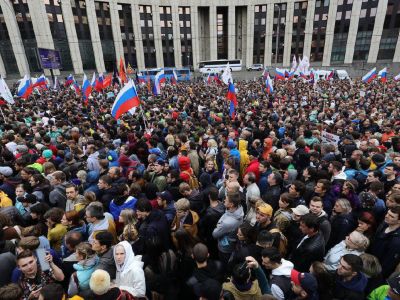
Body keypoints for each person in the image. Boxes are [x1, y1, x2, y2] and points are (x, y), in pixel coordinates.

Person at [212, 192, 244, 266]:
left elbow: (214, 234)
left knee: (224, 263)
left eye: (226, 200)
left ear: (231, 204)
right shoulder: (239, 208)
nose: (224, 201)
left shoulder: (227, 223)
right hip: (231, 243)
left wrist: (218, 225)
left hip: (225, 248)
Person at [370, 206, 400, 278]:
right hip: (370, 261)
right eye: (387, 213)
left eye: (391, 216)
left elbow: (388, 264)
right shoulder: (384, 224)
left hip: (376, 271)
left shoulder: (397, 241)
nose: (386, 216)